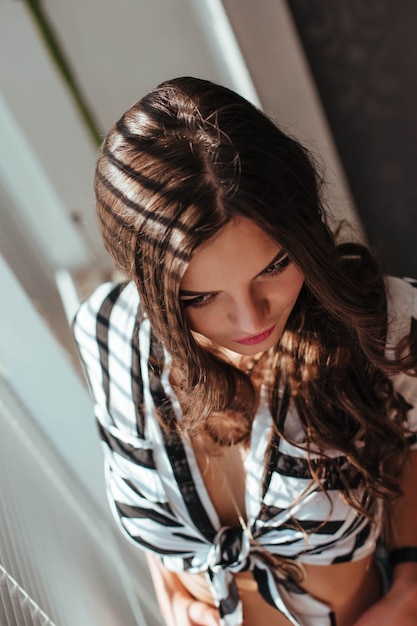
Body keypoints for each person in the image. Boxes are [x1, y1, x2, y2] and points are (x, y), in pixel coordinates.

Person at [72, 76, 417, 626]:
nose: (252, 319)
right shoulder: (109, 332)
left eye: (276, 266)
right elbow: (145, 490)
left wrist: (407, 592)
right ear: (151, 289)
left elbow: (410, 450)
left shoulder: (383, 322)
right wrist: (178, 603)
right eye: (202, 297)